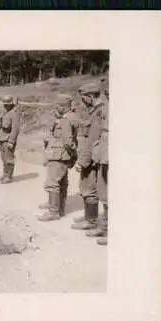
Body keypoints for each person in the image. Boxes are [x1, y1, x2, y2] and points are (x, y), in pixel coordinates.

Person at [70, 83, 106, 231]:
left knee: (89, 188)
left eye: (84, 98)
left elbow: (92, 140)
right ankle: (88, 216)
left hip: (91, 157)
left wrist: (82, 161)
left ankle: (91, 220)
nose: (82, 101)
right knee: (84, 186)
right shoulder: (92, 111)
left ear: (91, 97)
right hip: (87, 155)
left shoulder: (99, 113)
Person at [38, 94, 77, 221]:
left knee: (52, 183)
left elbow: (68, 141)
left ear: (63, 106)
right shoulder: (70, 117)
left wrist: (72, 154)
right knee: (61, 182)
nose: (56, 108)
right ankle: (59, 208)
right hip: (62, 155)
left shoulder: (66, 118)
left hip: (59, 155)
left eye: (58, 105)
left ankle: (53, 212)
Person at [85, 86, 109, 245]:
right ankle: (105, 227)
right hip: (103, 154)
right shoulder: (105, 108)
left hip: (109, 154)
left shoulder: (103, 109)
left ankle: (109, 229)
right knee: (104, 192)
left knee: (109, 192)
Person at [0, 95, 21, 184]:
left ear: (10, 104)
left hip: (9, 138)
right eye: (4, 104)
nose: (5, 106)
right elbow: (0, 123)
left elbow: (15, 128)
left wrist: (11, 141)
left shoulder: (15, 113)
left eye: (7, 104)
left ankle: (8, 176)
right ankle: (5, 174)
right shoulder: (5, 112)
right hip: (2, 137)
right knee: (3, 157)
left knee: (9, 158)